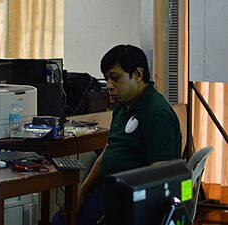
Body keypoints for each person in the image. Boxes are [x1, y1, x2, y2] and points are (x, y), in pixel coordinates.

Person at [51, 44, 182, 225]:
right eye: (106, 79)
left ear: (138, 75)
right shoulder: (122, 106)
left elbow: (160, 177)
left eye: (115, 78)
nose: (109, 86)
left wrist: (122, 212)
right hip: (112, 192)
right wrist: (81, 192)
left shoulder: (156, 113)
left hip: (134, 201)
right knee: (62, 219)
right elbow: (109, 151)